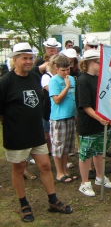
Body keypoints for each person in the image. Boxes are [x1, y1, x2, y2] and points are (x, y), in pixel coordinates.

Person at [0, 42, 72, 222]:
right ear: (14, 60)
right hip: (16, 134)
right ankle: (24, 204)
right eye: (24, 58)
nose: (28, 61)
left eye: (30, 58)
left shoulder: (33, 77)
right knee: (19, 168)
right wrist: (13, 125)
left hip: (36, 132)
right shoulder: (5, 82)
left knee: (45, 166)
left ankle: (53, 201)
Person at [76, 50, 111, 196]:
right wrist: (99, 117)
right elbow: (85, 106)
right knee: (86, 153)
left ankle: (100, 177)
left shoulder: (98, 78)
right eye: (100, 62)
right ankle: (84, 183)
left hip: (102, 122)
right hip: (89, 123)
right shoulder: (83, 80)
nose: (102, 65)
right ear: (91, 63)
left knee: (100, 151)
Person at [48, 56, 77, 183]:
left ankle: (65, 171)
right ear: (56, 68)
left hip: (70, 116)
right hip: (59, 117)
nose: (66, 73)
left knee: (67, 147)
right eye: (63, 70)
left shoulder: (71, 79)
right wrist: (66, 87)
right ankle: (59, 173)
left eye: (68, 70)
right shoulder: (54, 81)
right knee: (58, 146)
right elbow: (57, 100)